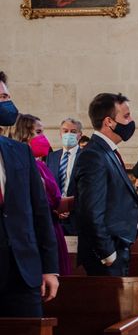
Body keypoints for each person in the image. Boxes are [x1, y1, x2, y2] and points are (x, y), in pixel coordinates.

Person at [0, 71, 59, 317]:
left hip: (23, 273)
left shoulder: (19, 152)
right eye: (2, 97)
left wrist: (49, 268)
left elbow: (39, 212)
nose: (9, 102)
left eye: (8, 96)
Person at [74, 92, 138, 276]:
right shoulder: (94, 155)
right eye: (126, 116)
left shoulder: (107, 152)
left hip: (119, 247)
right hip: (107, 256)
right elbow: (91, 211)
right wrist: (108, 253)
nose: (131, 121)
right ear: (109, 122)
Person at [29, 133, 72, 275]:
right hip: (36, 230)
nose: (43, 137)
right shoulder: (26, 166)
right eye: (38, 132)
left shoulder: (40, 165)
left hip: (52, 226)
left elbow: (54, 200)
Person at [46, 117, 83, 235]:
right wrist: (57, 207)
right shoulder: (51, 157)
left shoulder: (87, 156)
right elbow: (47, 185)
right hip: (54, 217)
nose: (69, 134)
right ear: (60, 134)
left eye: (73, 132)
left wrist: (68, 207)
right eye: (65, 131)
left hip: (77, 218)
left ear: (80, 135)